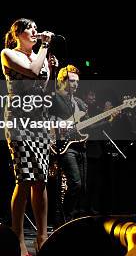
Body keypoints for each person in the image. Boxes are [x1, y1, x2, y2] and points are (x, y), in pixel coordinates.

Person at [1, 18, 56, 256]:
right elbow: (32, 73)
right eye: (30, 29)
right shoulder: (9, 54)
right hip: (19, 121)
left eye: (36, 28)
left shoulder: (39, 58)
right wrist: (44, 48)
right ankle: (18, 239)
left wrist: (52, 71)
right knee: (24, 177)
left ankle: (42, 237)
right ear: (18, 34)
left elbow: (45, 89)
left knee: (41, 178)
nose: (35, 31)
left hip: (40, 121)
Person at [49, 65, 88, 223]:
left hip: (80, 145)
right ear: (62, 80)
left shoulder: (79, 103)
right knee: (75, 184)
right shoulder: (53, 97)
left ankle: (72, 218)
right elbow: (44, 118)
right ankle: (65, 219)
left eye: (77, 82)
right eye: (72, 81)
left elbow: (86, 124)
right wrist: (61, 124)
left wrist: (108, 118)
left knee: (82, 187)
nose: (75, 84)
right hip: (65, 146)